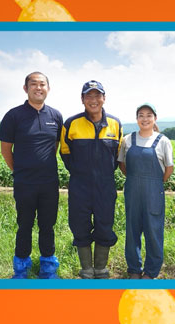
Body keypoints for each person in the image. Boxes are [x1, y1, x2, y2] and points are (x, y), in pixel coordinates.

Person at [0, 71, 63, 279]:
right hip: (24, 183)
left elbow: (54, 145)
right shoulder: (14, 115)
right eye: (33, 84)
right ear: (26, 89)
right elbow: (6, 149)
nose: (38, 88)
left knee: (48, 225)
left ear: (48, 88)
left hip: (49, 182)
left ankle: (47, 267)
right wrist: (19, 171)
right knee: (24, 224)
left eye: (42, 84)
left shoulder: (55, 116)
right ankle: (21, 268)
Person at [60, 80, 123, 279]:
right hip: (80, 186)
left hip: (105, 186)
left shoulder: (115, 124)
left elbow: (118, 155)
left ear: (104, 98)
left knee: (105, 225)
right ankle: (87, 270)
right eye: (89, 96)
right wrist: (81, 173)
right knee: (80, 226)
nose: (93, 100)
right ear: (82, 99)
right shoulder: (71, 124)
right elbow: (65, 153)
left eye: (97, 95)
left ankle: (101, 270)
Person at [118, 103, 174, 279]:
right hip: (133, 189)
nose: (145, 119)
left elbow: (169, 168)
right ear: (136, 119)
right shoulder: (128, 139)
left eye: (149, 115)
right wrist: (135, 178)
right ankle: (134, 269)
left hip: (154, 191)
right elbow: (122, 164)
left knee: (154, 230)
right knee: (132, 230)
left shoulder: (163, 140)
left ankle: (151, 271)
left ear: (155, 118)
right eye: (141, 115)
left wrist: (156, 183)